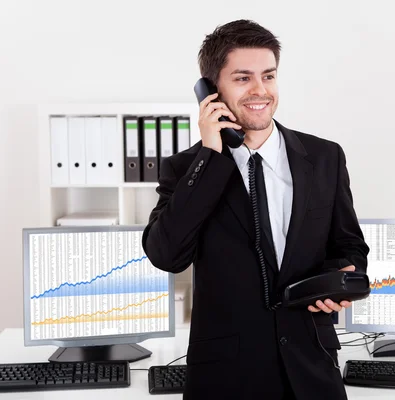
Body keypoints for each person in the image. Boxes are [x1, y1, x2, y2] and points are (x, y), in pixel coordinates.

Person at [142, 19, 369, 400]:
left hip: (311, 367)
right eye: (243, 78)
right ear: (211, 92)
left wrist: (342, 279)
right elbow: (166, 256)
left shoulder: (324, 157)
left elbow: (349, 246)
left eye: (269, 76)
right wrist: (212, 154)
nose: (260, 90)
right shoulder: (186, 169)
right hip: (226, 376)